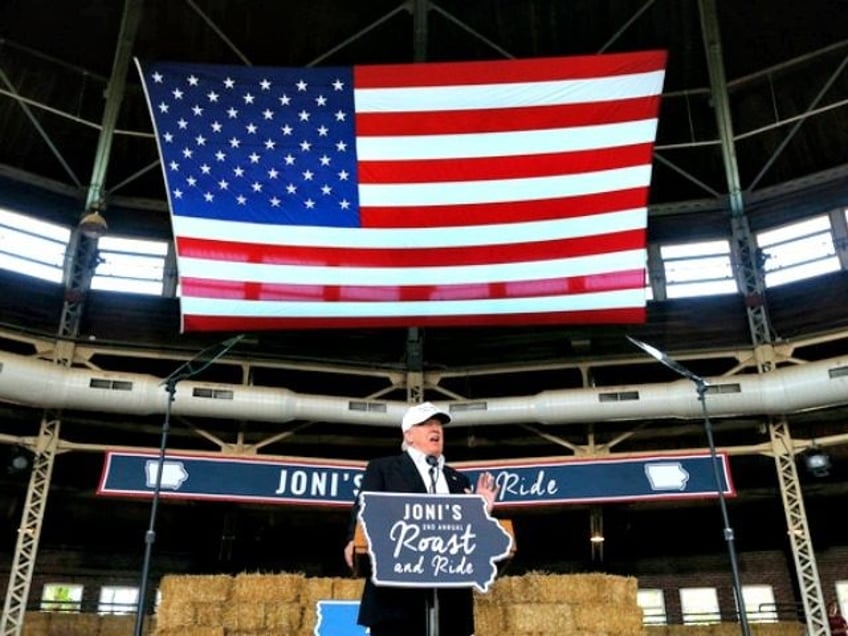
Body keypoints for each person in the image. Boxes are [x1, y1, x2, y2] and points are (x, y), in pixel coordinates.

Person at [343, 401, 499, 636]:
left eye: (438, 424)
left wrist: (481, 511)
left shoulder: (458, 480)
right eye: (426, 424)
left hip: (449, 604)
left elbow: (469, 538)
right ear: (409, 434)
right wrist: (354, 537)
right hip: (397, 601)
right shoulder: (383, 468)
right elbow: (364, 507)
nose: (435, 429)